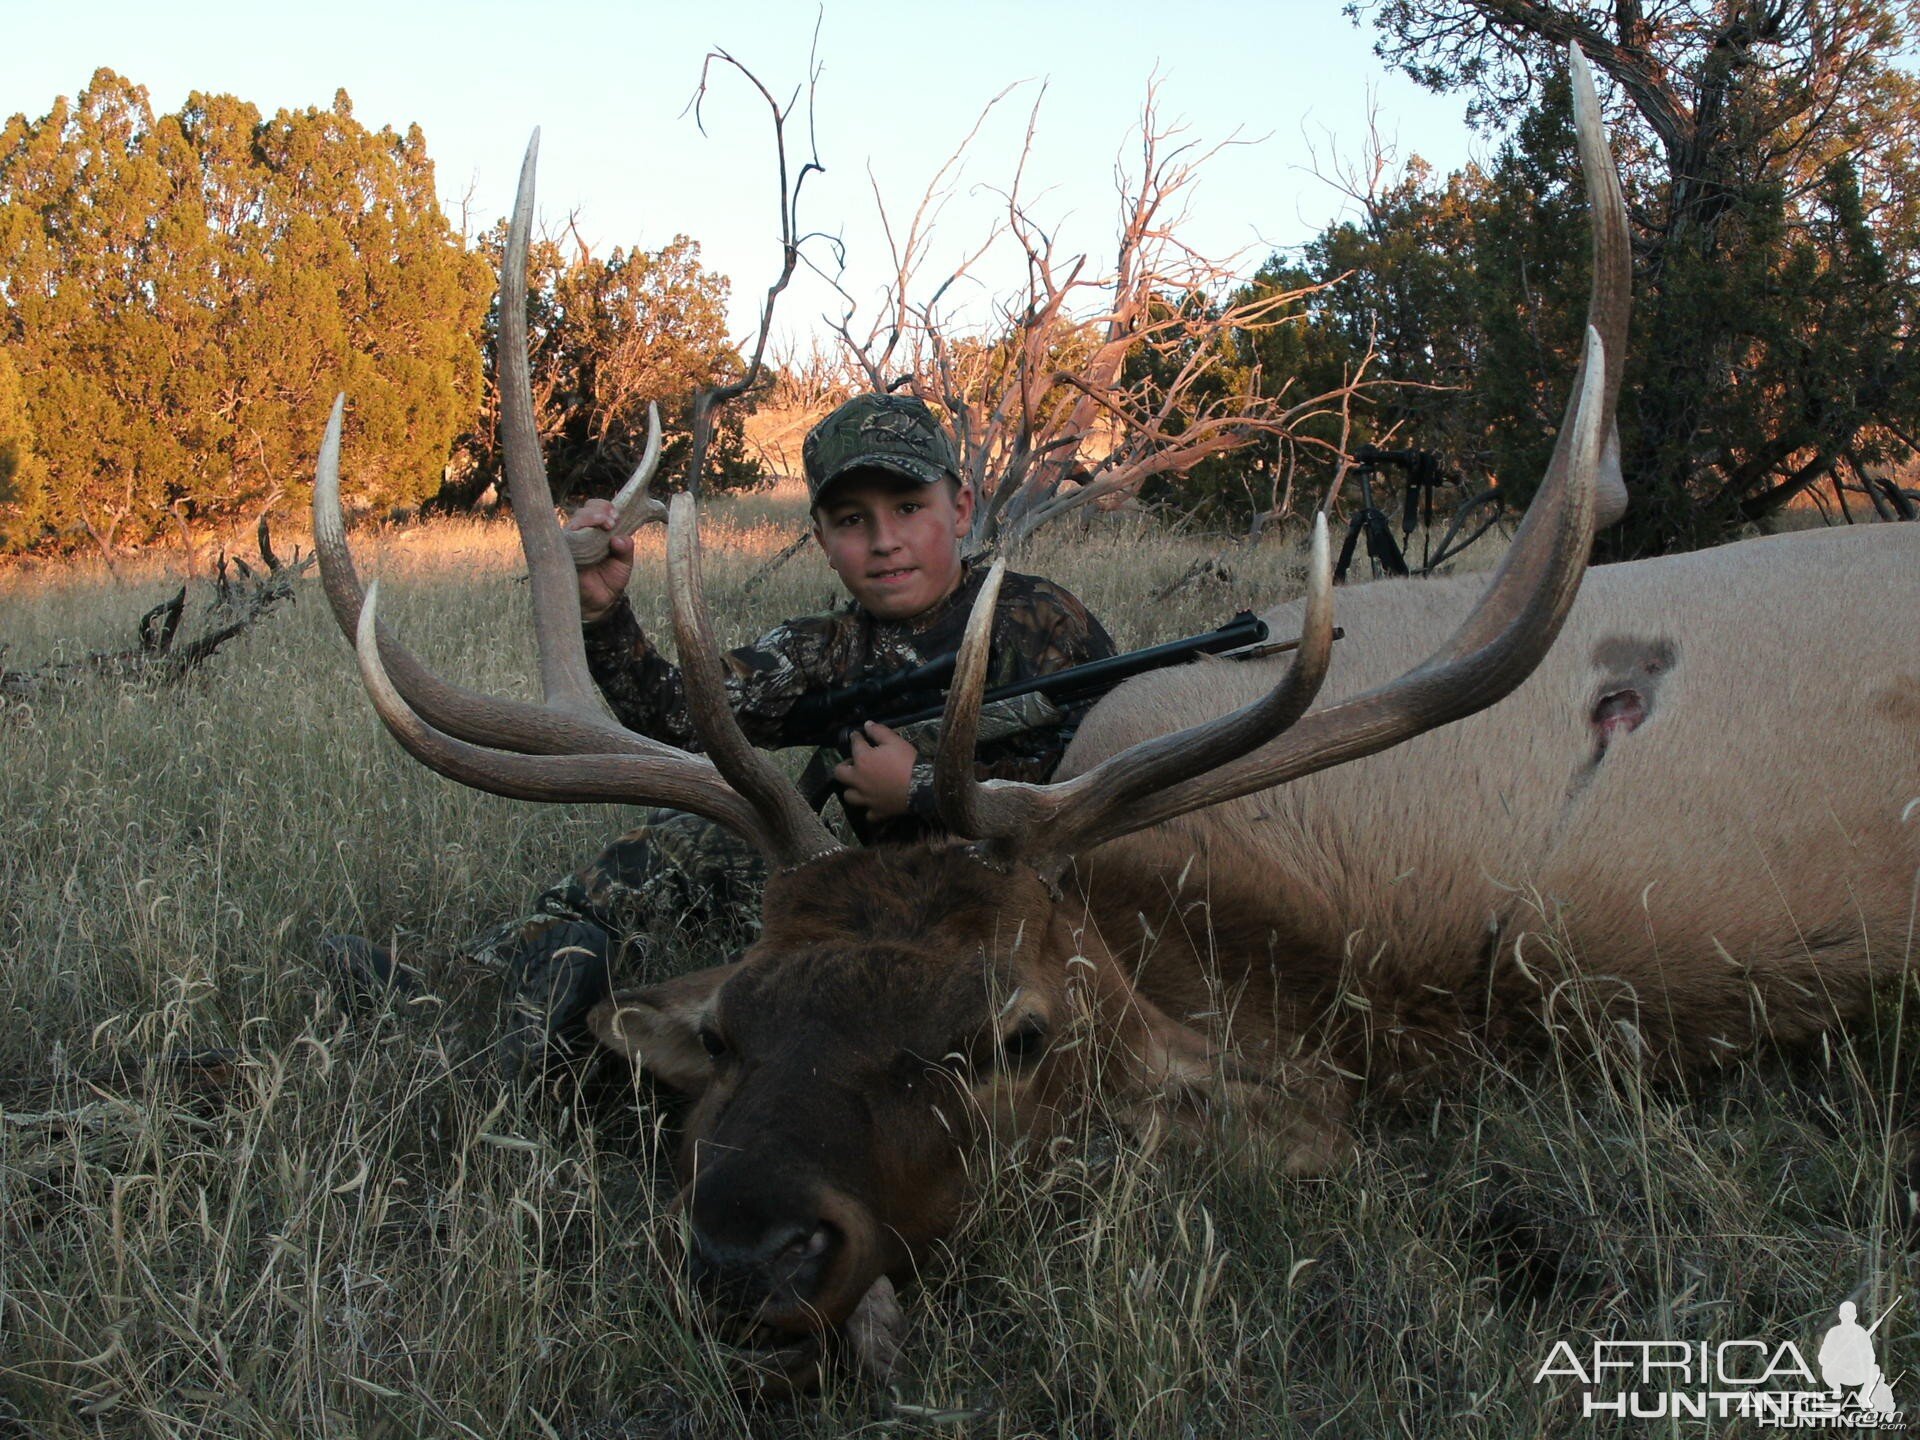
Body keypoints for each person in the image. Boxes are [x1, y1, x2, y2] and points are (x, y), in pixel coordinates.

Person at [470, 393, 1117, 1074]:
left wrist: (919, 789)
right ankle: (525, 965)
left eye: (907, 508)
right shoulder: (821, 649)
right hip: (867, 901)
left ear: (959, 511)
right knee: (700, 830)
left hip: (1016, 908)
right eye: (850, 520)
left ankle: (627, 1062)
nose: (883, 539)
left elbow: (1111, 770)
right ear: (823, 543)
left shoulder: (1043, 617)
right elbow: (678, 717)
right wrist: (606, 616)